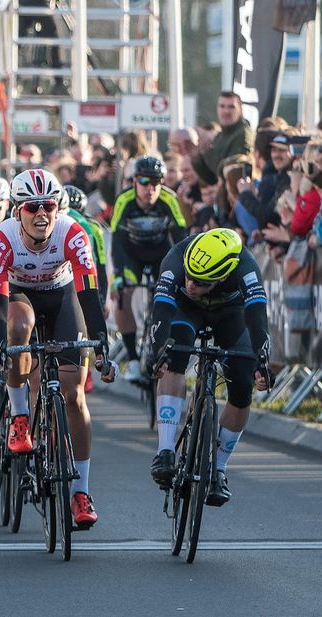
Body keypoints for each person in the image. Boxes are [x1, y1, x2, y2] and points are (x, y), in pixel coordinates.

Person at [0, 168, 115, 529]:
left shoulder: (73, 233)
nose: (42, 214)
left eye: (49, 205)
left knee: (74, 397)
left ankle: (80, 493)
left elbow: (89, 294)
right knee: (19, 327)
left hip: (62, 295)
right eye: (32, 207)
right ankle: (21, 416)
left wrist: (100, 343)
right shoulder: (1, 239)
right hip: (20, 295)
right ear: (17, 211)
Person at [147, 228, 271, 506]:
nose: (191, 284)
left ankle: (219, 468)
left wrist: (261, 360)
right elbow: (162, 311)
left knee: (242, 386)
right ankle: (165, 450)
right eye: (189, 276)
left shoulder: (246, 268)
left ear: (224, 275)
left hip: (231, 311)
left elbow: (257, 317)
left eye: (201, 282)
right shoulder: (176, 258)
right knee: (173, 359)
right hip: (184, 310)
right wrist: (159, 351)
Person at [108, 156, 187, 381]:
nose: (150, 188)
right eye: (144, 181)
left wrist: (184, 270)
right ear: (134, 182)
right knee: (122, 295)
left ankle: (159, 349)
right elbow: (117, 241)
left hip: (160, 255)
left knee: (165, 297)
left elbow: (181, 237)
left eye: (156, 181)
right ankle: (133, 359)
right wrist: (120, 275)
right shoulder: (125, 201)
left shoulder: (169, 199)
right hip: (132, 255)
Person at [191, 92, 255, 186]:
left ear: (240, 110)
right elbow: (211, 178)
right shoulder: (220, 136)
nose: (226, 111)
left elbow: (235, 173)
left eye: (231, 107)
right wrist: (196, 157)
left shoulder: (243, 135)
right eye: (222, 106)